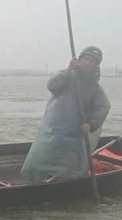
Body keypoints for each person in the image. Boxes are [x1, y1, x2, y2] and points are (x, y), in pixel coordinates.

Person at [20, 46, 112, 183]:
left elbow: (103, 107)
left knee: (72, 168)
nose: (88, 64)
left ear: (96, 66)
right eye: (86, 59)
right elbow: (52, 86)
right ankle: (34, 182)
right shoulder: (66, 76)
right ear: (79, 60)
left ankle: (67, 184)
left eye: (93, 62)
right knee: (40, 159)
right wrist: (69, 70)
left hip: (74, 134)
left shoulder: (95, 88)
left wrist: (91, 123)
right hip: (53, 130)